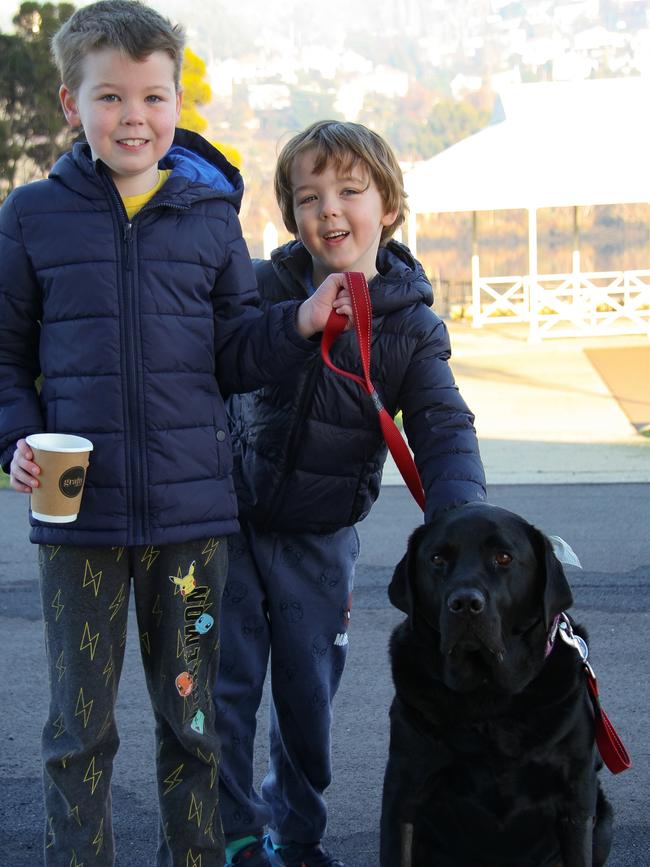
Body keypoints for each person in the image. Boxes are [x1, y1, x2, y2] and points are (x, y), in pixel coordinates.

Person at [0, 5, 352, 865]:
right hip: (76, 520)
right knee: (76, 732)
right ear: (69, 102)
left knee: (193, 728)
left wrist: (299, 320)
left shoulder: (208, 217)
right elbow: (5, 358)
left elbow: (235, 352)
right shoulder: (31, 215)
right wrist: (14, 438)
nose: (134, 116)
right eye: (110, 96)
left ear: (178, 100)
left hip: (195, 525)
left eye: (154, 97)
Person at [214, 120, 487, 867]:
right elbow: (215, 360)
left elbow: (441, 428)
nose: (328, 208)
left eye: (349, 190)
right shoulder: (265, 289)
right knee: (225, 691)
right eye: (309, 196)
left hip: (321, 540)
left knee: (307, 704)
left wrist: (461, 520)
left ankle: (298, 834)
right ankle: (234, 832)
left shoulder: (412, 327)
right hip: (228, 529)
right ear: (290, 214)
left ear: (389, 205)